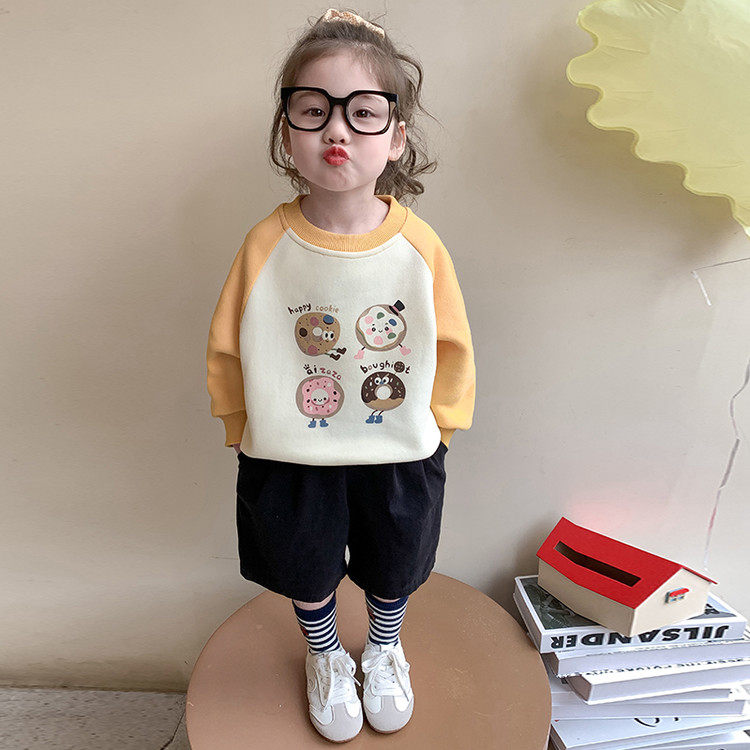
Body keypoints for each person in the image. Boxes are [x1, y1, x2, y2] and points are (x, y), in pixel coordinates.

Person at [205, 7, 475, 743]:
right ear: (286, 130)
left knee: (396, 563)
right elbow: (227, 344)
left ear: (396, 137)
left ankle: (384, 647)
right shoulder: (265, 243)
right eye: (313, 109)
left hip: (400, 449)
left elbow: (453, 345)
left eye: (363, 113)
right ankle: (324, 654)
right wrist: (241, 425)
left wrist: (441, 429)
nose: (337, 131)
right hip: (290, 452)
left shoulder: (420, 246)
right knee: (303, 565)